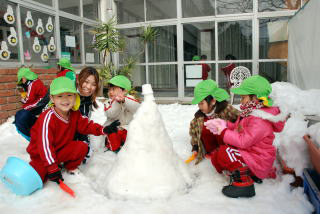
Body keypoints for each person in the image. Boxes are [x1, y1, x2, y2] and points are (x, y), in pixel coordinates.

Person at [205, 75, 286, 198]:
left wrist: (224, 132)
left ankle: (244, 184)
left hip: (259, 160)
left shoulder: (261, 120)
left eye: (243, 97)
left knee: (225, 152)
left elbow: (243, 141)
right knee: (217, 156)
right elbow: (239, 127)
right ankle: (244, 173)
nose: (241, 101)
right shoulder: (251, 113)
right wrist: (223, 124)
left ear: (256, 98)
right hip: (251, 155)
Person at [26, 77, 120, 184]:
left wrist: (103, 129)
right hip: (41, 156)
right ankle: (50, 166)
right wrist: (51, 168)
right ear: (52, 98)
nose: (65, 100)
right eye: (60, 96)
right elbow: (44, 145)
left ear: (75, 97)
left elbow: (86, 125)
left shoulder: (74, 114)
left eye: (69, 95)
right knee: (36, 178)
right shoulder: (47, 118)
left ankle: (70, 168)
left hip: (59, 150)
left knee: (81, 147)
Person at [189, 79, 239, 164]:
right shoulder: (199, 118)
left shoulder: (226, 110)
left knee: (217, 126)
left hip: (227, 148)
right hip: (211, 151)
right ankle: (213, 151)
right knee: (205, 127)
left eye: (202, 103)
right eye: (198, 104)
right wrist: (195, 147)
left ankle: (223, 152)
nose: (199, 106)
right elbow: (194, 133)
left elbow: (241, 120)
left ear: (213, 101)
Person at [104, 75, 140, 152]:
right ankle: (114, 148)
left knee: (132, 137)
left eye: (113, 89)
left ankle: (127, 147)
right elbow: (111, 114)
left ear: (124, 91)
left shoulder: (130, 99)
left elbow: (137, 108)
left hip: (126, 128)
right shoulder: (108, 102)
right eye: (109, 90)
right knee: (112, 137)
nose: (110, 92)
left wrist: (124, 101)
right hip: (113, 129)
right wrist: (117, 102)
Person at [74, 67, 100, 163]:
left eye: (93, 84)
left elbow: (84, 125)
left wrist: (85, 144)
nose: (89, 87)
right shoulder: (69, 96)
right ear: (79, 80)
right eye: (86, 81)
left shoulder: (88, 100)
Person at [14, 67, 49, 140]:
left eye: (22, 80)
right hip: (44, 98)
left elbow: (29, 99)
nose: (22, 82)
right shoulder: (36, 80)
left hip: (41, 100)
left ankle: (24, 121)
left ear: (24, 77)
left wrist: (23, 99)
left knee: (26, 107)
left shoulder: (31, 84)